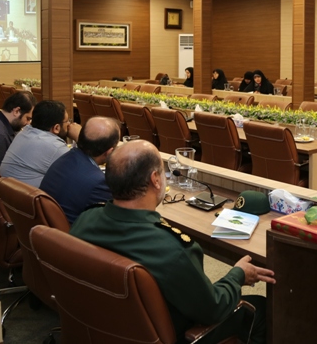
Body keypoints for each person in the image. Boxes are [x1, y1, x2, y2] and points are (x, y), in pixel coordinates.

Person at [71, 139, 275, 343]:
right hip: (171, 335)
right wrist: (237, 275)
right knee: (260, 308)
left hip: (102, 327)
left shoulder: (85, 220)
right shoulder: (171, 249)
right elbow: (213, 309)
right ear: (155, 179)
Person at [40, 116, 118, 224]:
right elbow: (113, 222)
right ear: (109, 152)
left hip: (46, 229)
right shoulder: (99, 183)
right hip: (70, 233)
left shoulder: (65, 158)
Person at [0, 100, 80, 187]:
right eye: (67, 121)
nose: (69, 124)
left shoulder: (24, 132)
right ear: (56, 128)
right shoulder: (55, 146)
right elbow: (82, 170)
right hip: (28, 194)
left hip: (7, 191)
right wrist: (79, 136)